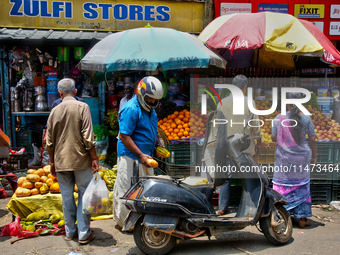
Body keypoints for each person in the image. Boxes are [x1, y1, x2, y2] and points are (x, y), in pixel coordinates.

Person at [46, 78, 99, 244]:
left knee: (67, 196)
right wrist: (95, 157)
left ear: (59, 93)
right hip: (81, 160)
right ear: (75, 92)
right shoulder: (83, 107)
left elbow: (49, 142)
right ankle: (83, 234)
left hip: (61, 161)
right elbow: (88, 137)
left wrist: (52, 163)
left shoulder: (54, 110)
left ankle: (70, 232)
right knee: (84, 194)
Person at [113, 76, 163, 229]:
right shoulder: (130, 109)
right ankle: (126, 224)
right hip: (131, 157)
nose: (152, 102)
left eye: (155, 100)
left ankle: (140, 221)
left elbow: (152, 129)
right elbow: (124, 136)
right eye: (149, 99)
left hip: (146, 156)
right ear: (141, 94)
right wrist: (140, 155)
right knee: (128, 189)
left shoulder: (151, 110)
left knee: (145, 191)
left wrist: (158, 144)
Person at [216, 74, 262, 215]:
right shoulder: (249, 102)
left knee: (226, 177)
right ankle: (249, 207)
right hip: (244, 147)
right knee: (248, 177)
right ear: (244, 87)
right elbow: (255, 125)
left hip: (226, 146)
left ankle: (222, 208)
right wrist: (259, 141)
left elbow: (218, 127)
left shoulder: (221, 103)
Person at [271, 92, 317, 228]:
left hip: (284, 158)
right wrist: (314, 156)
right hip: (302, 157)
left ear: (287, 103)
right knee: (302, 185)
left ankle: (283, 215)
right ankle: (302, 219)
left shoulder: (279, 118)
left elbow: (274, 138)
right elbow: (312, 139)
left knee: (282, 186)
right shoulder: (307, 119)